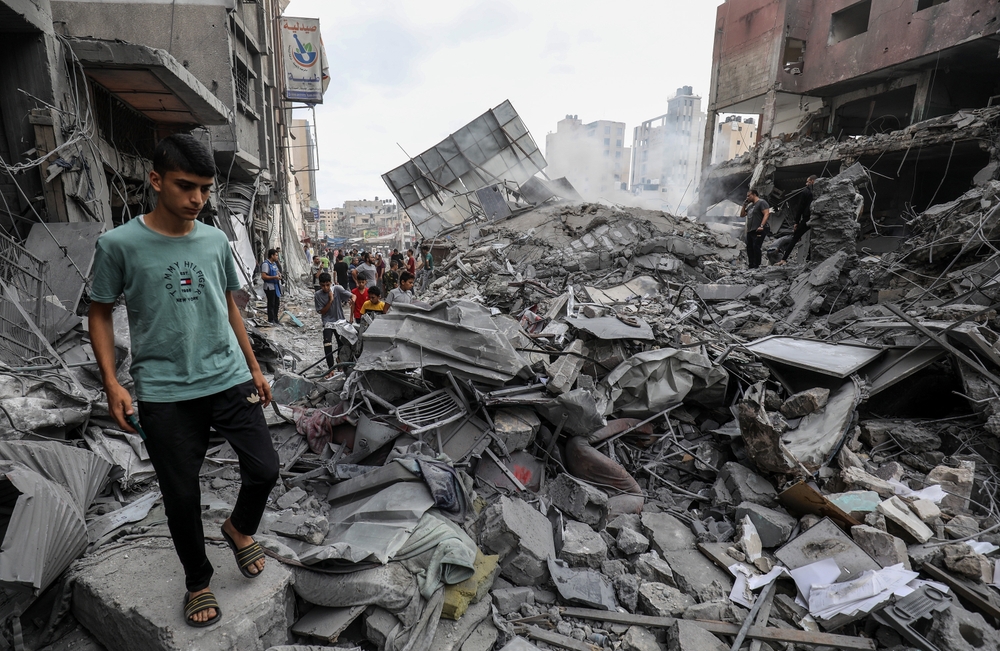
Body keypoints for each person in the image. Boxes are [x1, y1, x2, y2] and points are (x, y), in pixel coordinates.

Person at [88, 133, 278, 628]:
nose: (197, 199)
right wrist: (112, 383)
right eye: (186, 186)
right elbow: (100, 312)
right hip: (165, 391)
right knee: (181, 495)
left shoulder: (215, 241)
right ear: (156, 180)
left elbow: (230, 308)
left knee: (265, 469)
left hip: (228, 377)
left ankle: (238, 528)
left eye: (205, 189)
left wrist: (254, 367)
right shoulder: (118, 245)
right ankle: (198, 581)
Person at [315, 271, 354, 371]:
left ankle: (340, 361)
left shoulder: (337, 289)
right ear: (320, 285)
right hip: (328, 322)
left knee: (341, 343)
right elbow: (322, 312)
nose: (326, 288)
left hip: (339, 321)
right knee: (327, 343)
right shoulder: (318, 295)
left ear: (331, 283)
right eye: (323, 285)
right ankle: (331, 368)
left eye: (327, 285)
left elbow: (352, 296)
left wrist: (353, 301)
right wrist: (330, 300)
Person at [777, 175, 817, 266]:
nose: (806, 184)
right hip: (815, 218)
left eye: (808, 181)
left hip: (807, 218)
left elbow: (800, 207)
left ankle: (784, 259)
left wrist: (796, 222)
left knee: (795, 237)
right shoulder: (818, 192)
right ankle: (809, 259)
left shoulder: (806, 192)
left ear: (812, 181)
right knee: (814, 238)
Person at [743, 189, 771, 269]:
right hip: (750, 230)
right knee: (749, 248)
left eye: (749, 196)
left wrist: (761, 226)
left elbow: (766, 214)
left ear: (754, 195)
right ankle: (751, 265)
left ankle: (757, 265)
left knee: (756, 246)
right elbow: (742, 214)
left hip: (759, 229)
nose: (747, 198)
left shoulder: (761, 202)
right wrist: (744, 205)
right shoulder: (750, 206)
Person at [260, 248, 282, 323]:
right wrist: (274, 277)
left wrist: (279, 274)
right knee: (271, 303)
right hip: (269, 286)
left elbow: (277, 271)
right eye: (276, 255)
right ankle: (271, 319)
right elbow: (263, 276)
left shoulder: (274, 264)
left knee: (276, 303)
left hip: (276, 286)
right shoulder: (266, 264)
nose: (277, 257)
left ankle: (276, 319)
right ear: (272, 256)